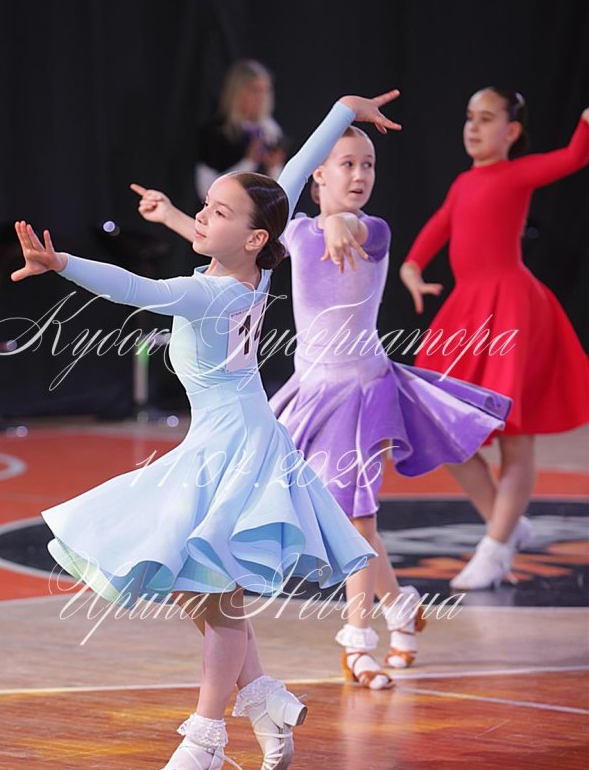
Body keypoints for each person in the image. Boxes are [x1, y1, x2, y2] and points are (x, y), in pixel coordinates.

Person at [11, 91, 402, 770]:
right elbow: (292, 175)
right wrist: (343, 110)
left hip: (234, 448)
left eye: (218, 213)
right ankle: (266, 703)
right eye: (206, 206)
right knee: (197, 590)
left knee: (216, 597)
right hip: (230, 438)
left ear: (252, 238)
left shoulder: (212, 295)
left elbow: (134, 289)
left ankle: (205, 740)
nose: (202, 217)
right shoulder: (253, 267)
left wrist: (63, 262)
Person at [136, 126, 510, 688]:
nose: (360, 175)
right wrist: (168, 214)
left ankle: (358, 642)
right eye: (347, 164)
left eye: (368, 164)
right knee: (342, 518)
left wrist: (339, 222)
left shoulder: (374, 230)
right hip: (309, 391)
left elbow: (352, 228)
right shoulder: (294, 233)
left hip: (363, 393)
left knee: (357, 516)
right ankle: (399, 604)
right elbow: (229, 239)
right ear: (318, 174)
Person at [400, 89, 589, 590]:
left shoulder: (517, 173)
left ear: (512, 131)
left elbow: (575, 156)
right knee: (442, 426)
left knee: (514, 433)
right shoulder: (464, 182)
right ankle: (505, 526)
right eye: (469, 117)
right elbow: (440, 225)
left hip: (511, 309)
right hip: (467, 311)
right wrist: (412, 265)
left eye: (486, 119)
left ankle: (495, 546)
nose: (473, 127)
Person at [195, 59, 286, 201]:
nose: (261, 98)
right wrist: (249, 162)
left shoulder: (272, 131)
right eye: (254, 90)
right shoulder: (216, 132)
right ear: (236, 91)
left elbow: (281, 192)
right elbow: (205, 190)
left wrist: (274, 167)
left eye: (265, 90)